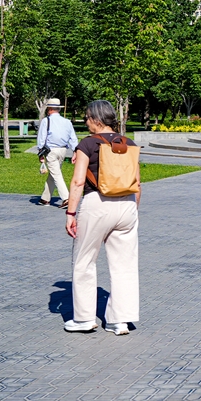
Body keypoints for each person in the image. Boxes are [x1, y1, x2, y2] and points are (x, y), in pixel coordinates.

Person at [62, 100, 141, 334]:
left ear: (96, 119)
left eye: (87, 118)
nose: (85, 122)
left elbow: (78, 181)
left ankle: (84, 318)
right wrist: (133, 209)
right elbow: (137, 182)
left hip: (97, 203)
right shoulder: (129, 143)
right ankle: (120, 320)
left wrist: (70, 213)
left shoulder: (87, 144)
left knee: (84, 261)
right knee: (124, 265)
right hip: (127, 204)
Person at [36, 98, 78, 207]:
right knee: (54, 173)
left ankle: (66, 198)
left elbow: (42, 137)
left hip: (51, 151)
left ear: (49, 109)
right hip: (63, 150)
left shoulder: (46, 121)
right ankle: (45, 198)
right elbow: (73, 138)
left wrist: (40, 151)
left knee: (56, 174)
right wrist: (75, 151)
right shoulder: (67, 122)